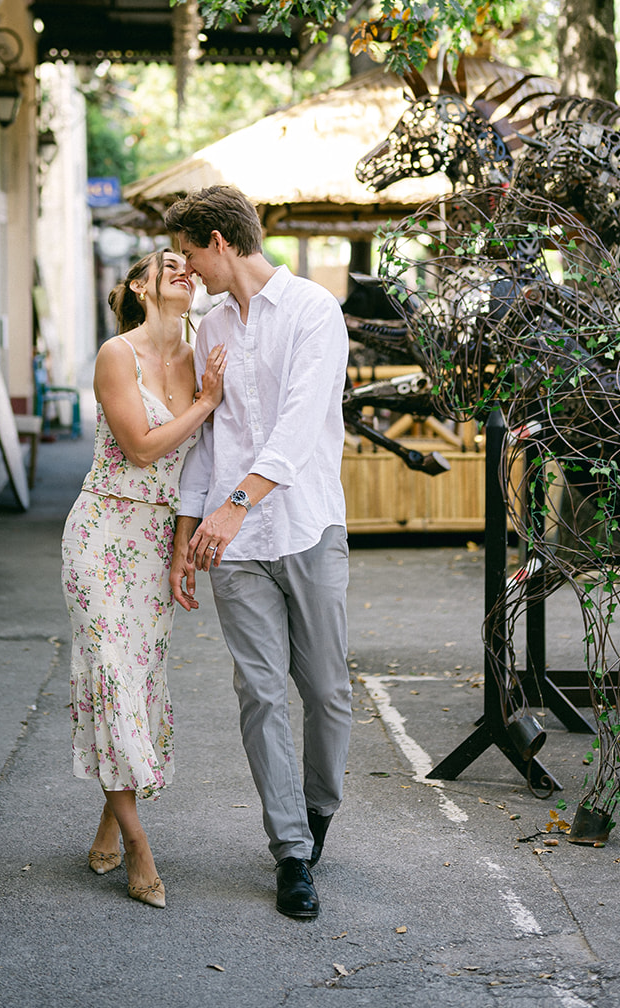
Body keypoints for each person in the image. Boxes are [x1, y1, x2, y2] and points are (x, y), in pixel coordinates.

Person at [163, 185, 352, 921]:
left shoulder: (312, 311)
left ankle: (317, 810)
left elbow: (302, 425)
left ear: (216, 239)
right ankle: (291, 852)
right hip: (230, 545)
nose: (187, 269)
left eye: (187, 252)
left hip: (306, 527)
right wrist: (188, 539)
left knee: (328, 692)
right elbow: (207, 446)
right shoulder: (208, 331)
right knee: (260, 692)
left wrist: (238, 505)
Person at [61, 248, 227, 909]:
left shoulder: (197, 356)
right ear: (140, 285)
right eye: (167, 265)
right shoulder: (115, 353)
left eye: (187, 265)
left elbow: (196, 467)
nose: (183, 271)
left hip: (157, 538)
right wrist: (207, 403)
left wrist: (183, 547)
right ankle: (137, 843)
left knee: (140, 679)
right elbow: (142, 446)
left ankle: (112, 810)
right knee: (107, 674)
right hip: (101, 532)